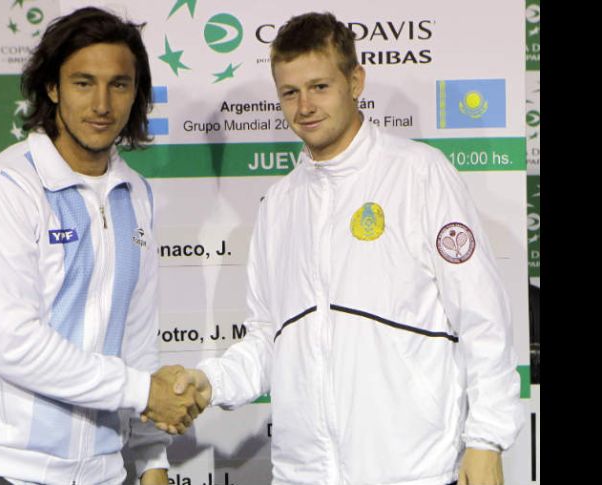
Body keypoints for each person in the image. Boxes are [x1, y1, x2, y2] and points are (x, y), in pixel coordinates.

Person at [158, 11, 524, 485]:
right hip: (303, 473)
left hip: (413, 471)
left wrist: (487, 439)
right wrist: (212, 382)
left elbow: (483, 318)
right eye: (290, 92)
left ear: (355, 81)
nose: (304, 105)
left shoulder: (420, 174)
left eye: (319, 87)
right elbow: (268, 341)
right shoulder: (278, 206)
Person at [0, 7, 201, 485]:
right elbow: (14, 345)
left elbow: (135, 339)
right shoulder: (2, 188)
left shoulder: (135, 193)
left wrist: (152, 460)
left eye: (119, 84)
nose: (102, 103)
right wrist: (143, 392)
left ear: (136, 93)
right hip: (0, 469)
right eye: (83, 82)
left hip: (101, 473)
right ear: (52, 88)